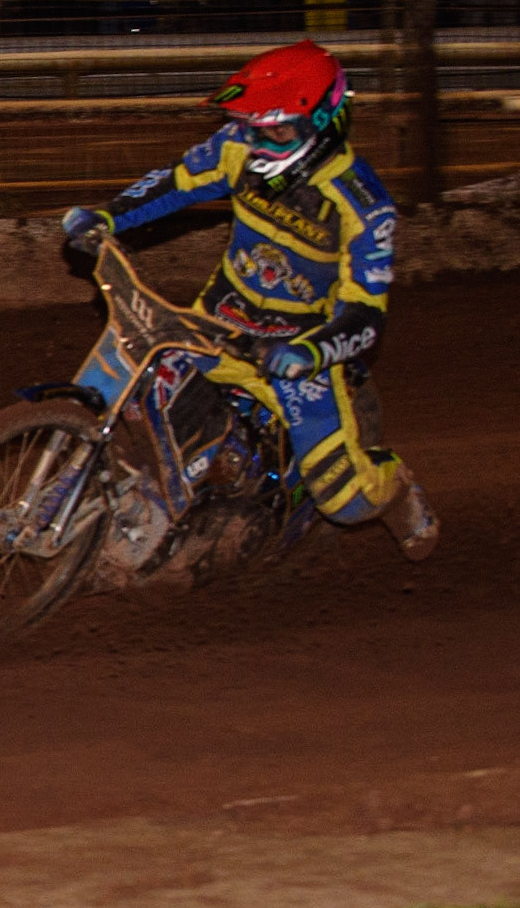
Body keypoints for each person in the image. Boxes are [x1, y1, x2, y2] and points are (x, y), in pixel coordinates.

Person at [60, 41, 439, 562]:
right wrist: (107, 216)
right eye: (252, 126)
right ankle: (154, 510)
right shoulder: (236, 146)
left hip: (297, 353)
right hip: (217, 322)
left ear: (322, 125)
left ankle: (397, 489)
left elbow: (365, 317)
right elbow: (174, 183)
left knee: (345, 500)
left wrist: (309, 352)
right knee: (141, 396)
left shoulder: (361, 204)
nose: (258, 141)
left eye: (276, 131)